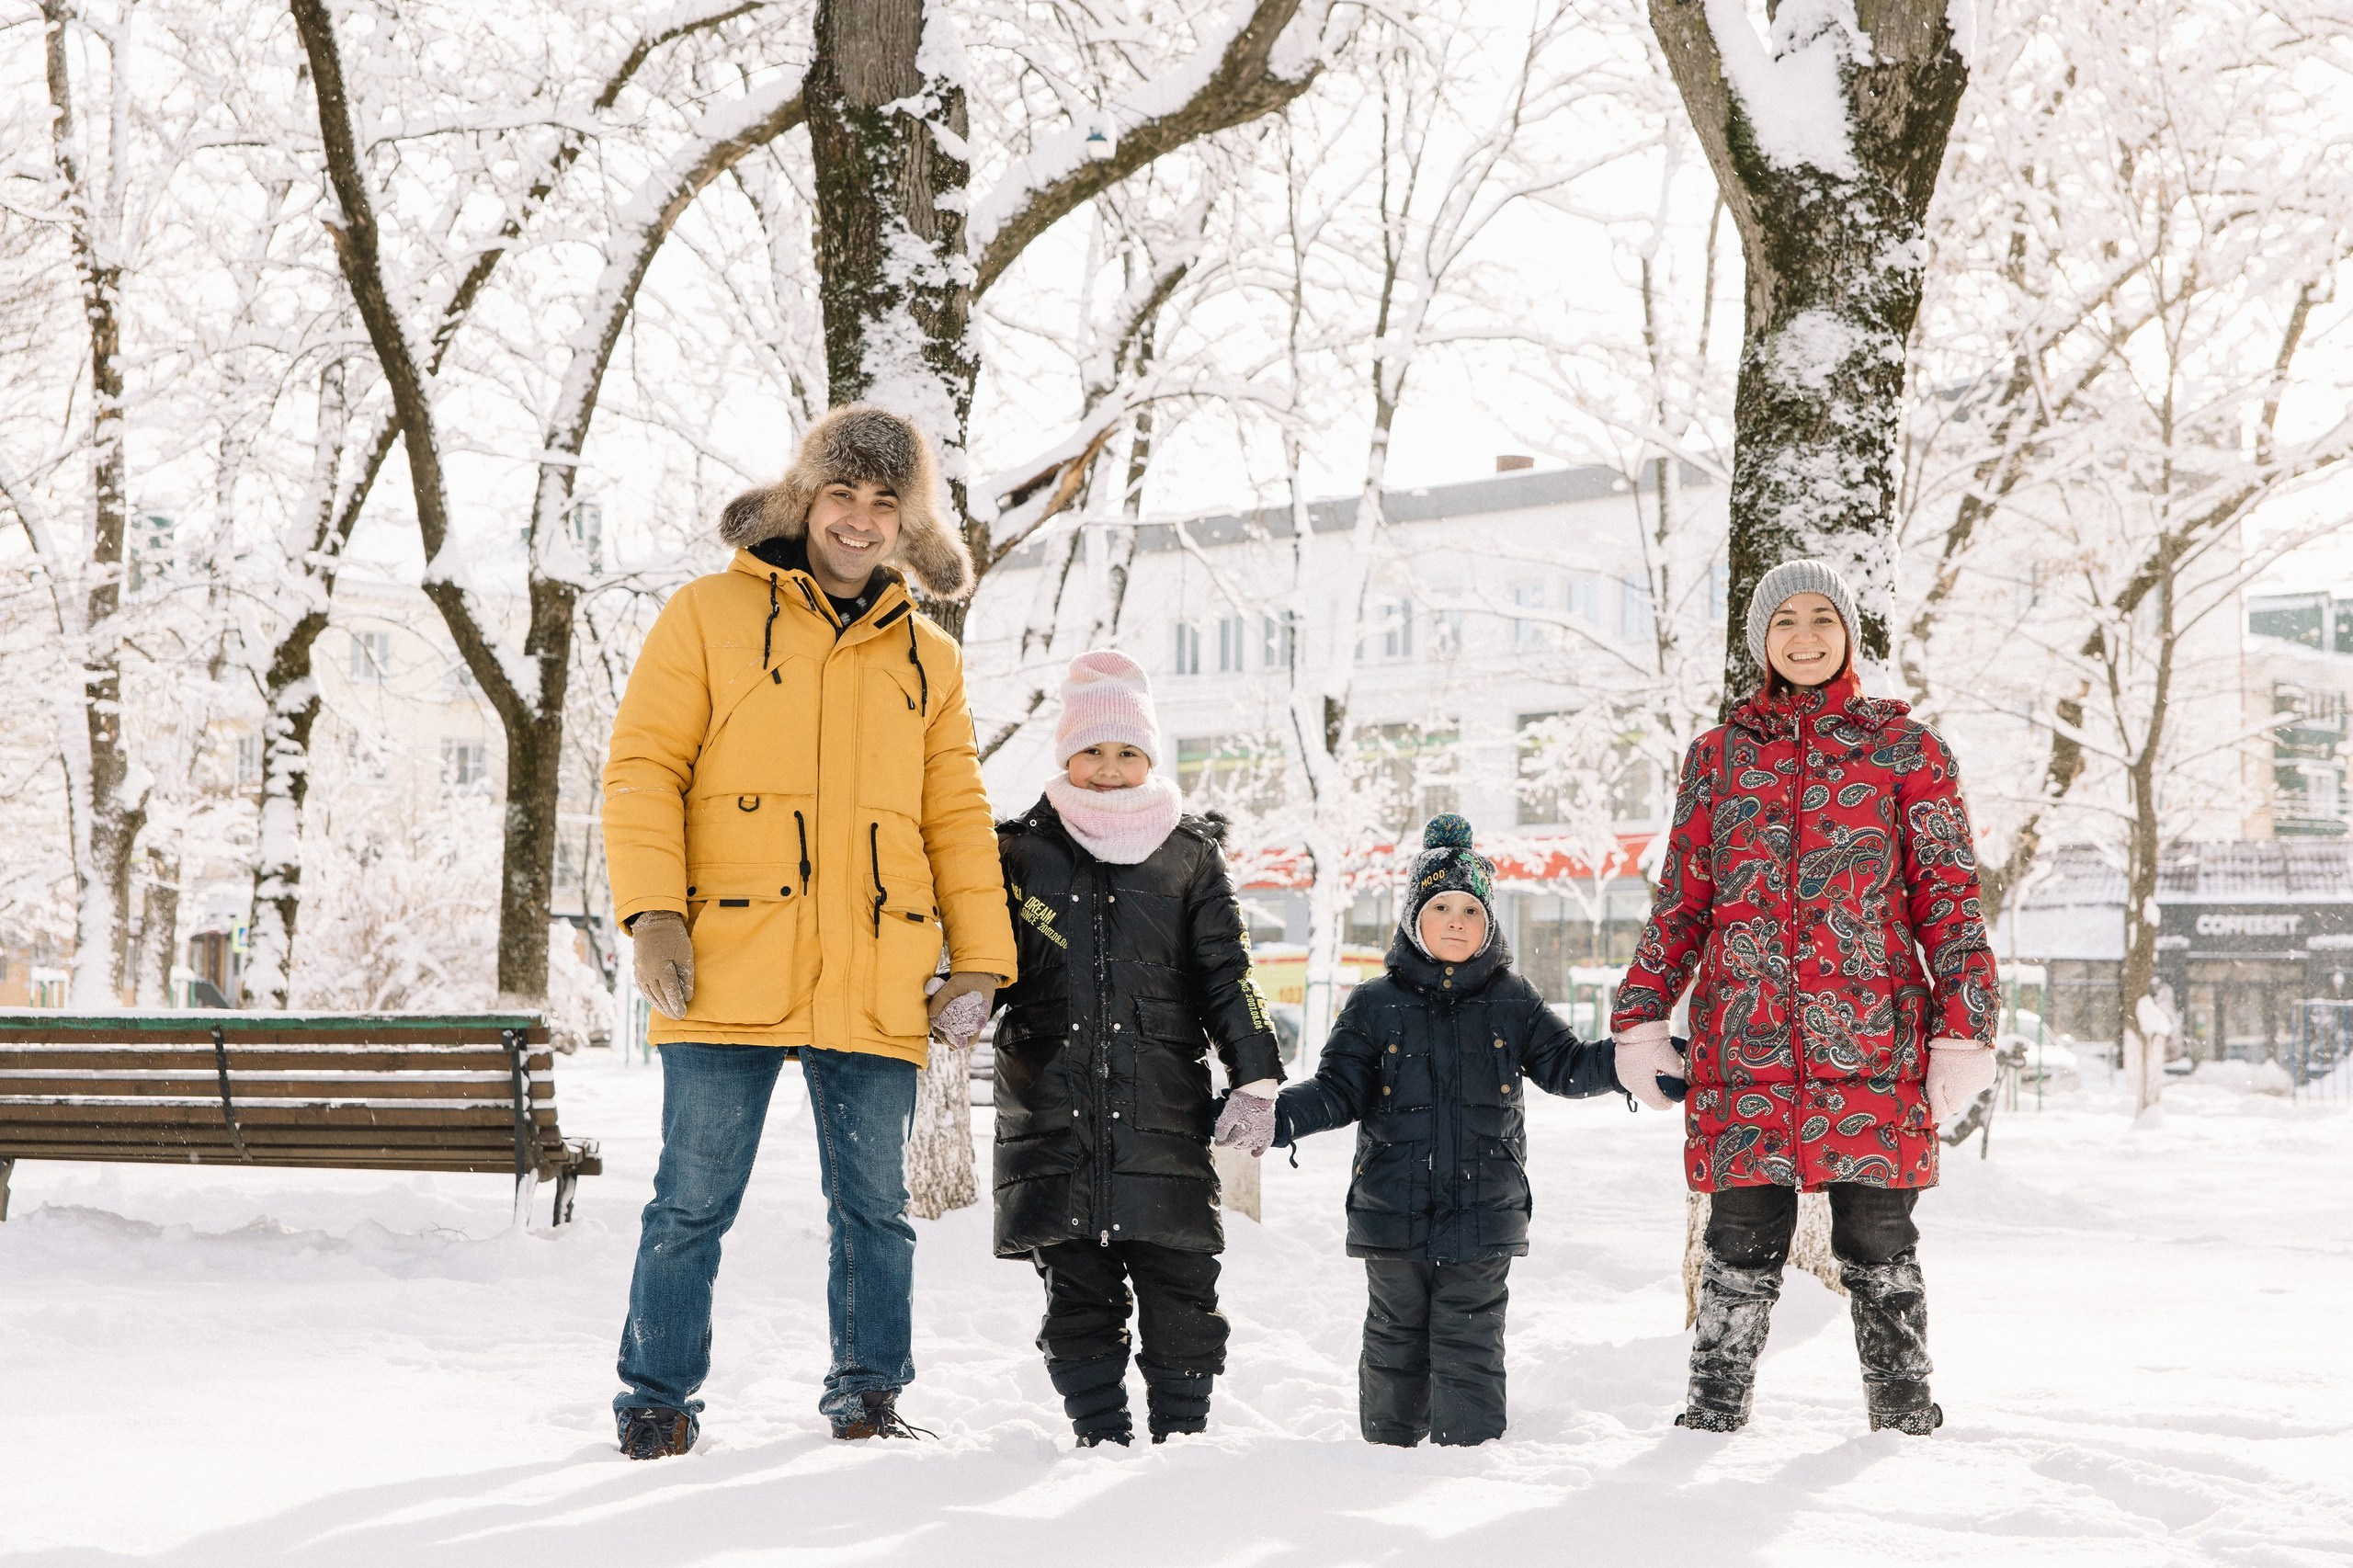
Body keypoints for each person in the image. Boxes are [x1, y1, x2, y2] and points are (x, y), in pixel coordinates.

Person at [601, 405, 1018, 1457]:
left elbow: (956, 814)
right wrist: (653, 911)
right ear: (804, 498)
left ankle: (869, 1392)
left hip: (875, 963)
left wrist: (978, 956)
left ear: (907, 523)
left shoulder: (928, 657)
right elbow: (645, 766)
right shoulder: (705, 614)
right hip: (725, 956)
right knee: (690, 1200)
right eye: (844, 494)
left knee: (874, 1209)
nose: (860, 520)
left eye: (887, 503)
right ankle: (656, 1397)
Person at [1610, 559, 1999, 1437]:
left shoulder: (1908, 750)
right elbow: (1683, 900)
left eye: (1824, 617)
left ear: (1851, 636)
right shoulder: (1718, 758)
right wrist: (1641, 1018)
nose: (1807, 635)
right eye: (1786, 620)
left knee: (1878, 1238)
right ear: (1762, 641)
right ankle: (1710, 1418)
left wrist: (1965, 1031)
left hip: (1873, 1040)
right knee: (1740, 1235)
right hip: (1744, 1040)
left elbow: (1949, 898)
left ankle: (1904, 1422)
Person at [989, 651, 1285, 1448]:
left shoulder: (1187, 856)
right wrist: (962, 993)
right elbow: (983, 955)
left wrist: (1254, 1077)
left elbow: (1229, 970)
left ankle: (1181, 1443)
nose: (1110, 769)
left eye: (1127, 753)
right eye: (1093, 752)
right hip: (1054, 1107)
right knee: (1076, 1294)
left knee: (1182, 1285)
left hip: (1161, 1107)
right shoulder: (1019, 853)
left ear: (1150, 758)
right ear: (1066, 755)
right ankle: (1100, 1438)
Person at [1273, 814, 1623, 1447]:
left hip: (1484, 1210)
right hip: (1391, 1209)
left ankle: (1468, 1459)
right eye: (1441, 906)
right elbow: (1337, 1089)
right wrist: (1276, 1115)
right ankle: (1387, 1451)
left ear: (1489, 923)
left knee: (1470, 1338)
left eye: (1471, 908)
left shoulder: (1512, 999)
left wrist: (1628, 1063)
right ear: (1414, 919)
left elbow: (1566, 1066)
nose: (1457, 920)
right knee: (1394, 1336)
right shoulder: (1374, 1004)